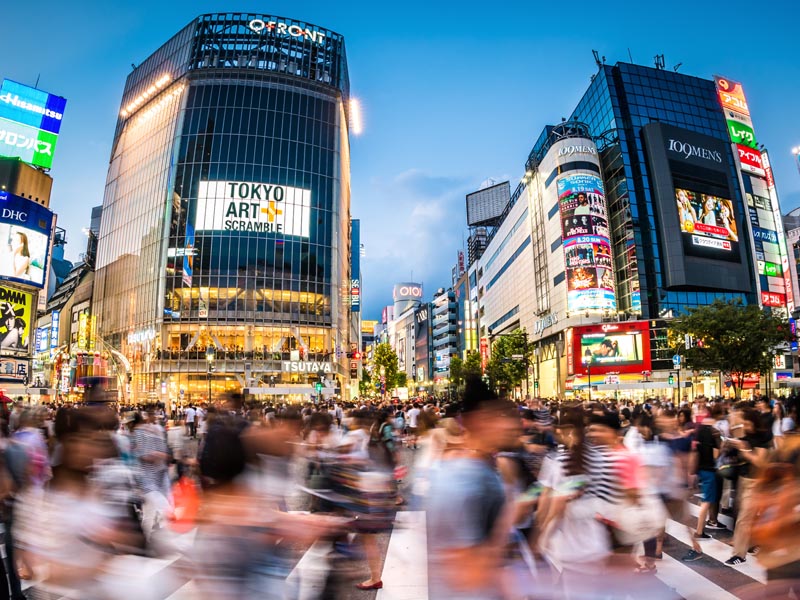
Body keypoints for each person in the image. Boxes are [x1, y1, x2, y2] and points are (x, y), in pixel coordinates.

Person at [425, 376, 519, 599]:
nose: (512, 425)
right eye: (500, 417)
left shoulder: (482, 469)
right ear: (478, 421)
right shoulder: (464, 479)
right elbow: (467, 572)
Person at [726, 407, 772, 565]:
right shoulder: (746, 434)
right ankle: (753, 543)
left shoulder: (763, 437)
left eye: (746, 423)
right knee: (749, 516)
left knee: (744, 518)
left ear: (754, 423)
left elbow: (760, 462)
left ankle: (739, 554)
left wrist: (744, 450)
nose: (744, 426)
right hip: (743, 478)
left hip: (755, 481)